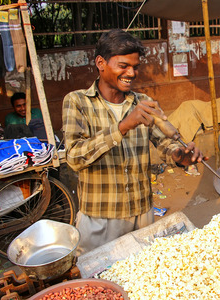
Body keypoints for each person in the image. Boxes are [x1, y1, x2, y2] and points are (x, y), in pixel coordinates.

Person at [62, 29, 206, 255]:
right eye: (123, 66)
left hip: (141, 215)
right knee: (100, 284)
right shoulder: (78, 102)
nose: (131, 73)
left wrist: (181, 155)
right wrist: (123, 126)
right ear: (101, 63)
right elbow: (74, 158)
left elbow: (164, 144)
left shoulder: (144, 102)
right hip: (100, 220)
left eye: (135, 67)